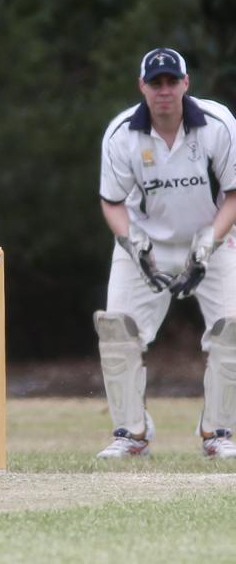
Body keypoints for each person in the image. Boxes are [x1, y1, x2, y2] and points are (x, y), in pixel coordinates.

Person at [95, 47, 236, 459]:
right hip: (144, 242)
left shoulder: (218, 125)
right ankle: (131, 434)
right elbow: (112, 201)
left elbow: (233, 194)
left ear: (186, 84)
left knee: (231, 330)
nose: (164, 91)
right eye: (155, 83)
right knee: (117, 331)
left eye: (171, 82)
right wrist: (134, 246)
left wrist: (208, 243)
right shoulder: (122, 133)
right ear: (142, 87)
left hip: (212, 238)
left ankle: (219, 433)